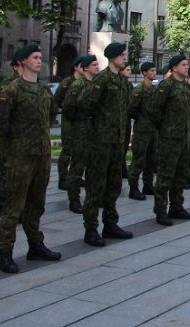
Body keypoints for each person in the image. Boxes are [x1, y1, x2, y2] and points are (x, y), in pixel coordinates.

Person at [0, 44, 61, 273]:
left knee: (36, 204)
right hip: (19, 158)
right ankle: (6, 252)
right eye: (35, 57)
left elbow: (51, 115)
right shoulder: (12, 89)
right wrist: (16, 140)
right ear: (23, 61)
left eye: (40, 57)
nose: (39, 61)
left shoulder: (43, 89)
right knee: (13, 206)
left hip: (41, 155)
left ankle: (35, 245)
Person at [78, 42, 133, 246]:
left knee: (114, 185)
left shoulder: (121, 81)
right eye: (121, 55)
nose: (124, 58)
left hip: (117, 141)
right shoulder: (102, 79)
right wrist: (96, 125)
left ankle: (110, 223)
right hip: (100, 141)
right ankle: (91, 228)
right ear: (112, 57)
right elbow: (84, 103)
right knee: (96, 186)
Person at [149, 54, 190, 225]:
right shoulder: (166, 86)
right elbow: (154, 110)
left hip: (183, 138)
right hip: (169, 138)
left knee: (181, 174)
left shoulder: (185, 87)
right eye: (183, 65)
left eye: (187, 64)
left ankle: (176, 206)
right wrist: (165, 128)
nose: (187, 67)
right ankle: (161, 210)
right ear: (174, 68)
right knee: (165, 175)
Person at [0, 56, 23, 224]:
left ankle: (18, 210)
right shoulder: (8, 84)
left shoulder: (32, 85)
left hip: (26, 144)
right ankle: (0, 210)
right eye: (34, 58)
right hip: (10, 141)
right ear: (17, 66)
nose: (39, 62)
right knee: (3, 174)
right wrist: (8, 133)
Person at [62, 54, 97, 214]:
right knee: (77, 166)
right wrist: (80, 122)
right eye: (94, 64)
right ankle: (74, 198)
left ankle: (91, 198)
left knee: (92, 167)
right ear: (85, 68)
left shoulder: (95, 84)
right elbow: (68, 108)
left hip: (93, 132)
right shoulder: (78, 85)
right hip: (79, 132)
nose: (97, 66)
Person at [128, 61, 158, 200]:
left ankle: (148, 185)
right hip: (142, 130)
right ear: (144, 73)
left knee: (151, 160)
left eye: (154, 70)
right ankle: (133, 188)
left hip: (153, 130)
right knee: (138, 159)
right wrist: (142, 119)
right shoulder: (139, 90)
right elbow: (132, 109)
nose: (154, 72)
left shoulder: (154, 90)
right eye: (151, 70)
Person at [54, 56, 82, 190]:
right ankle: (62, 178)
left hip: (80, 122)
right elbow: (58, 99)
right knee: (67, 150)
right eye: (81, 65)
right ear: (76, 67)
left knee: (79, 150)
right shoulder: (67, 82)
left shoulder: (85, 82)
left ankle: (76, 176)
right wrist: (64, 109)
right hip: (68, 120)